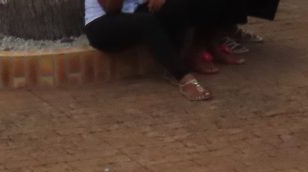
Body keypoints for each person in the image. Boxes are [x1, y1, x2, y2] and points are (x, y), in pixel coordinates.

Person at [84, 0, 249, 101]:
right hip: (102, 24)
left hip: (136, 13)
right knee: (146, 22)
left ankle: (189, 53)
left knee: (178, 5)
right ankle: (183, 77)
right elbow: (112, 9)